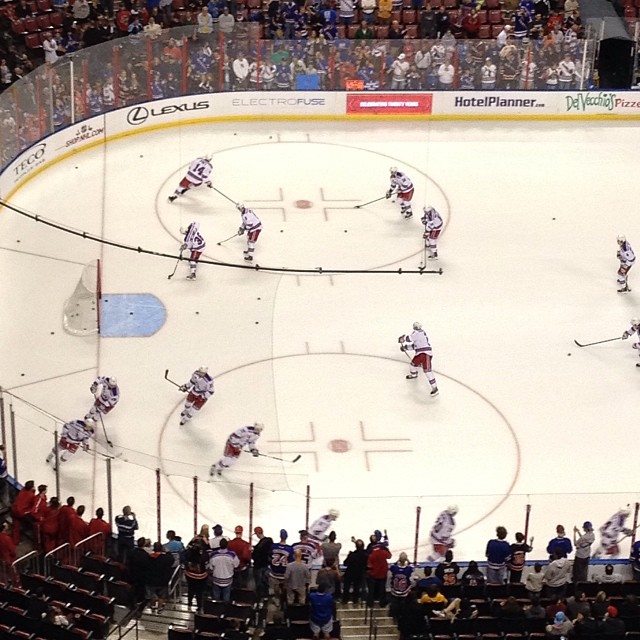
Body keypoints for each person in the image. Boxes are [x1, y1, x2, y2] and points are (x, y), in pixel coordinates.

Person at [399, 322, 439, 397]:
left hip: (425, 354)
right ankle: (414, 375)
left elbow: (409, 338)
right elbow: (415, 346)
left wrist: (402, 339)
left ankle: (435, 388)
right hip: (420, 354)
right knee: (412, 365)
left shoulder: (418, 333)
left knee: (427, 371)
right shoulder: (419, 335)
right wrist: (405, 348)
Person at [269, 529, 294, 607]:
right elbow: (291, 562)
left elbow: (269, 557)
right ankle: (284, 602)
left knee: (275, 589)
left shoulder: (273, 546)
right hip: (284, 573)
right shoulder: (289, 549)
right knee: (285, 589)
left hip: (274, 572)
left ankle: (277, 600)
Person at [389, 552, 413, 622]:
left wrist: (398, 560)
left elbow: (393, 565)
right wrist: (408, 561)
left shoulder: (394, 568)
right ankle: (401, 617)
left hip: (395, 591)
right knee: (403, 606)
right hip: (404, 592)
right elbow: (412, 567)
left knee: (395, 605)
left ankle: (395, 617)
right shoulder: (409, 569)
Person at [366, 540, 391, 607]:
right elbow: (389, 556)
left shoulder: (372, 555)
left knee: (371, 590)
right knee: (382, 589)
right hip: (383, 573)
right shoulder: (384, 552)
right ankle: (382, 603)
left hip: (374, 574)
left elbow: (369, 565)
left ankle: (370, 603)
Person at [342, 538, 367, 604]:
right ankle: (355, 600)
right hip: (359, 574)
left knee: (346, 587)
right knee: (356, 588)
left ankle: (345, 600)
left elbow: (345, 563)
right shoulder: (365, 555)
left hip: (350, 573)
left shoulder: (352, 555)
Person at [252, 526, 272, 601]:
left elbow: (255, 556)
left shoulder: (259, 546)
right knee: (265, 583)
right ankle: (265, 599)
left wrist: (253, 551)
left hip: (258, 567)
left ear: (257, 534)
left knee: (259, 585)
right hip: (266, 566)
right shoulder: (269, 541)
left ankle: (259, 600)